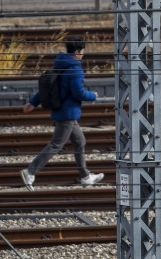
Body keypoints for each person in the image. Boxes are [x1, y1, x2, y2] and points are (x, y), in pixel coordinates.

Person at [20, 38, 104, 191]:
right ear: (77, 52)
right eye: (82, 52)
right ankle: (30, 171)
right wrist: (93, 95)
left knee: (80, 142)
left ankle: (85, 177)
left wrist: (33, 102)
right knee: (56, 144)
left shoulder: (60, 64)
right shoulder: (75, 68)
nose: (83, 55)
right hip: (68, 112)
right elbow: (78, 93)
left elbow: (51, 86)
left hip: (63, 110)